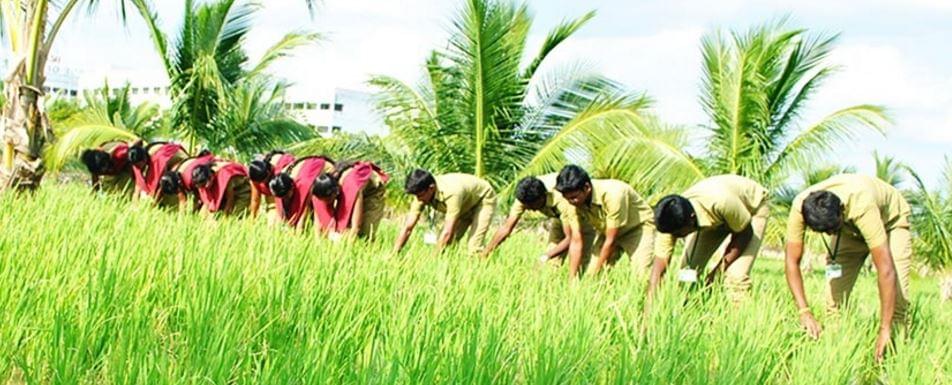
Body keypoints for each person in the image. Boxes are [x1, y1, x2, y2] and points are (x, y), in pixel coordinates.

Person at [784, 174, 912, 361]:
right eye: (824, 232)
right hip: (848, 229)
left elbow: (886, 269)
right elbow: (791, 261)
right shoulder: (800, 207)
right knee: (833, 303)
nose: (829, 234)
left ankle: (895, 357)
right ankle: (835, 356)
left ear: (841, 210)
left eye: (832, 228)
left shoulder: (861, 204)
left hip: (891, 223)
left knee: (898, 301)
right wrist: (804, 312)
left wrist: (884, 328)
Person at [648, 175, 769, 301]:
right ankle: (690, 309)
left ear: (691, 219)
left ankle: (740, 318)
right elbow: (658, 271)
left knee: (735, 278)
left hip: (752, 208)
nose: (675, 238)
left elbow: (745, 233)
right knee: (687, 273)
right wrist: (649, 315)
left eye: (678, 234)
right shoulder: (668, 218)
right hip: (718, 215)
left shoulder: (722, 201)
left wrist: (717, 273)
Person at [555, 165, 654, 278]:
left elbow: (611, 241)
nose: (570, 202)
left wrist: (598, 271)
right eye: (566, 198)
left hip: (637, 229)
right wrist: (572, 279)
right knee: (591, 276)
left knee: (642, 275)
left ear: (587, 188)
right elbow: (576, 240)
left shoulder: (614, 194)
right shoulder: (572, 203)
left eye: (573, 197)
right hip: (608, 231)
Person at [482, 173, 585, 261]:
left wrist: (545, 256)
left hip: (584, 217)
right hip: (559, 219)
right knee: (550, 264)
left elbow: (570, 237)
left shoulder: (561, 198)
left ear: (542, 197)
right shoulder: (524, 196)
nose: (531, 210)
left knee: (585, 263)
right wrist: (486, 253)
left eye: (532, 206)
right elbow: (506, 228)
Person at [392, 170, 496, 255]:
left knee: (473, 246)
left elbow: (447, 231)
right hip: (464, 204)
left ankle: (477, 272)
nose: (418, 200)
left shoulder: (452, 193)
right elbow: (408, 227)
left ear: (431, 188)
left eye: (420, 196)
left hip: (482, 200)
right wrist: (394, 253)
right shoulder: (420, 194)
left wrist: (433, 261)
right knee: (447, 244)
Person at [310, 161, 390, 238]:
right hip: (350, 185)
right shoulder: (320, 189)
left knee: (365, 233)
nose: (325, 203)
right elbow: (319, 218)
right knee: (338, 230)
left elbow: (356, 226)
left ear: (336, 193)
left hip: (372, 191)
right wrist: (318, 242)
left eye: (327, 200)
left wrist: (346, 246)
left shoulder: (351, 188)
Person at [269, 156, 334, 229]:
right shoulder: (278, 182)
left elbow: (303, 214)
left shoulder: (304, 184)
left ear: (292, 187)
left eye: (286, 196)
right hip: (305, 173)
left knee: (319, 205)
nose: (285, 199)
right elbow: (279, 212)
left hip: (324, 173)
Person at [248, 151, 296, 220]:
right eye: (262, 182)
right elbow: (255, 199)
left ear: (269, 171)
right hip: (272, 197)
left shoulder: (283, 167)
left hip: (289, 192)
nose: (264, 182)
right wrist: (252, 219)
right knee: (274, 223)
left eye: (266, 179)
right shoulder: (255, 178)